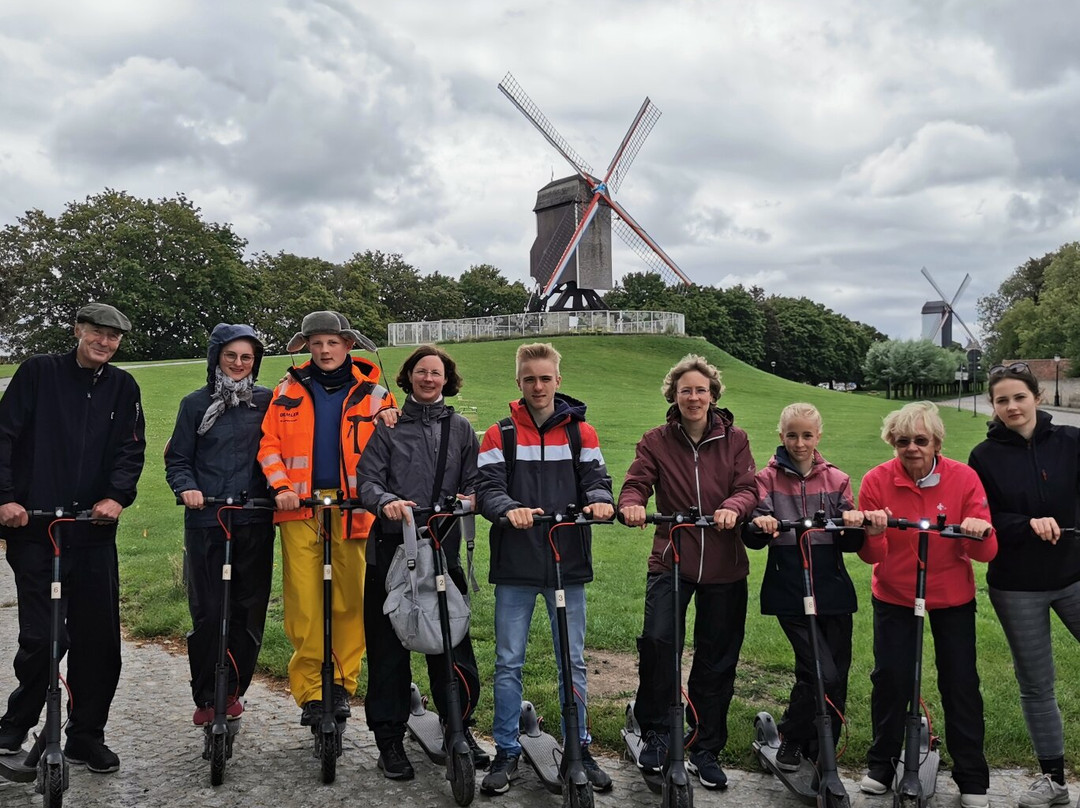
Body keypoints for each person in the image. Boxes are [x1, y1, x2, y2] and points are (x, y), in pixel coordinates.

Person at [0, 302, 145, 772]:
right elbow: (3, 437)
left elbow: (130, 449)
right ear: (79, 330)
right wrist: (6, 498)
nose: (105, 342)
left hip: (92, 532)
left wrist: (117, 497)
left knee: (99, 643)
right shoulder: (39, 373)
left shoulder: (123, 387)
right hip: (34, 529)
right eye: (98, 333)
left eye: (114, 337)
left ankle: (85, 735)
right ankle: (15, 725)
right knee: (45, 639)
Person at [475, 342, 614, 796]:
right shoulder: (499, 434)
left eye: (545, 378)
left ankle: (581, 746)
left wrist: (599, 502)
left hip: (565, 560)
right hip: (516, 563)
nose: (538, 385)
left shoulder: (581, 433)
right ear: (519, 382)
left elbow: (597, 480)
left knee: (571, 662)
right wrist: (509, 508)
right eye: (529, 378)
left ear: (558, 379)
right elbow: (487, 489)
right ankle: (507, 749)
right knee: (508, 661)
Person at [618, 353, 758, 791]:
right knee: (660, 644)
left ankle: (705, 746)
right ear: (673, 396)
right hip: (672, 558)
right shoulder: (656, 440)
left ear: (713, 394)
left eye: (701, 390)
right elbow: (636, 482)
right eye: (685, 391)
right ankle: (657, 733)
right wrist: (632, 504)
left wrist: (733, 509)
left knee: (717, 657)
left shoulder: (735, 439)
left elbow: (749, 488)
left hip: (724, 564)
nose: (693, 397)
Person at [257, 311, 396, 728]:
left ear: (348, 345)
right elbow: (268, 446)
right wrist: (281, 487)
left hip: (356, 511)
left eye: (332, 342)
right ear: (307, 347)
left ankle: (340, 684)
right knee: (303, 599)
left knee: (350, 599)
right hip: (299, 509)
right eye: (316, 343)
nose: (324, 350)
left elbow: (393, 451)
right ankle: (312, 691)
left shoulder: (375, 394)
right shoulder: (286, 389)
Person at [856, 401, 997, 808]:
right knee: (891, 678)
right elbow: (872, 556)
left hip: (951, 594)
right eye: (903, 441)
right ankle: (881, 763)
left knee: (960, 681)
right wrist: (874, 531)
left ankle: (971, 774)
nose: (912, 448)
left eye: (921, 440)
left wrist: (975, 531)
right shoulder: (877, 480)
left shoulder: (964, 478)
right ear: (892, 443)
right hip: (896, 593)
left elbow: (987, 552)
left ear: (936, 441)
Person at [358, 345, 489, 780]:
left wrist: (471, 499)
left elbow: (475, 479)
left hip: (443, 547)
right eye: (421, 371)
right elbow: (367, 479)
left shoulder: (461, 428)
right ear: (409, 376)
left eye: (436, 372)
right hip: (392, 551)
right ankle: (390, 740)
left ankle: (459, 726)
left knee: (451, 644)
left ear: (446, 379)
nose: (429, 379)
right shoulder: (389, 427)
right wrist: (387, 501)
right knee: (388, 649)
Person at [968, 362, 1080, 808]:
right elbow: (983, 517)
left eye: (1019, 396)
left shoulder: (1071, 440)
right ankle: (1053, 780)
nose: (1012, 406)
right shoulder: (984, 456)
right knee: (1037, 684)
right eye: (1002, 400)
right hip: (1017, 586)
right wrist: (1026, 524)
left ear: (1036, 396)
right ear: (992, 407)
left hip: (1074, 575)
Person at [164, 323, 274, 727]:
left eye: (247, 357)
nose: (239, 364)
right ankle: (207, 693)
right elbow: (177, 458)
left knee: (248, 610)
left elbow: (280, 448)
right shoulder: (195, 404)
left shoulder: (267, 402)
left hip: (255, 517)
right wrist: (188, 488)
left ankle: (233, 690)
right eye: (231, 356)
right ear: (216, 358)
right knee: (209, 611)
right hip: (207, 519)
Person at [745, 402, 863, 772]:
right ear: (781, 436)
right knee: (819, 672)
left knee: (834, 674)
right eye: (792, 435)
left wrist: (852, 524)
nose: (799, 443)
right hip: (789, 586)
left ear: (818, 437)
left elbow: (851, 542)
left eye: (807, 435)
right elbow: (752, 532)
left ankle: (819, 747)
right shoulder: (765, 480)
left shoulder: (837, 480)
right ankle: (793, 737)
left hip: (832, 588)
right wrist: (761, 525)